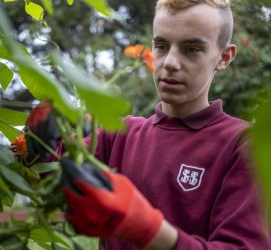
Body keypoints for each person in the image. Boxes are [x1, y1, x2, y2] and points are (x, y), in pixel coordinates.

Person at [24, 0, 271, 249]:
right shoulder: (117, 135)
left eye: (191, 49)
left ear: (224, 56)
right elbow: (49, 179)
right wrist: (37, 141)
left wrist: (147, 228)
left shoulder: (244, 145)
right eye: (161, 46)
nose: (170, 63)